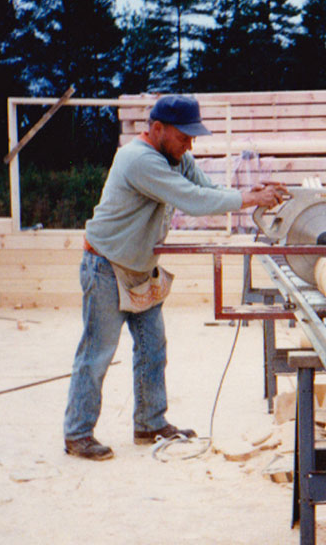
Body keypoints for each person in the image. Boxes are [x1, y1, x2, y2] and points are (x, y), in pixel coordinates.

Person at [63, 94, 288, 460]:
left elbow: (208, 190)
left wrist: (251, 194)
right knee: (97, 354)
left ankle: (150, 423)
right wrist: (248, 199)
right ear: (157, 129)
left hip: (139, 267)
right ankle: (77, 433)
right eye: (184, 136)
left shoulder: (175, 156)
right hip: (105, 266)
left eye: (192, 138)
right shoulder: (138, 160)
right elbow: (192, 200)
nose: (190, 144)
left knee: (154, 348)